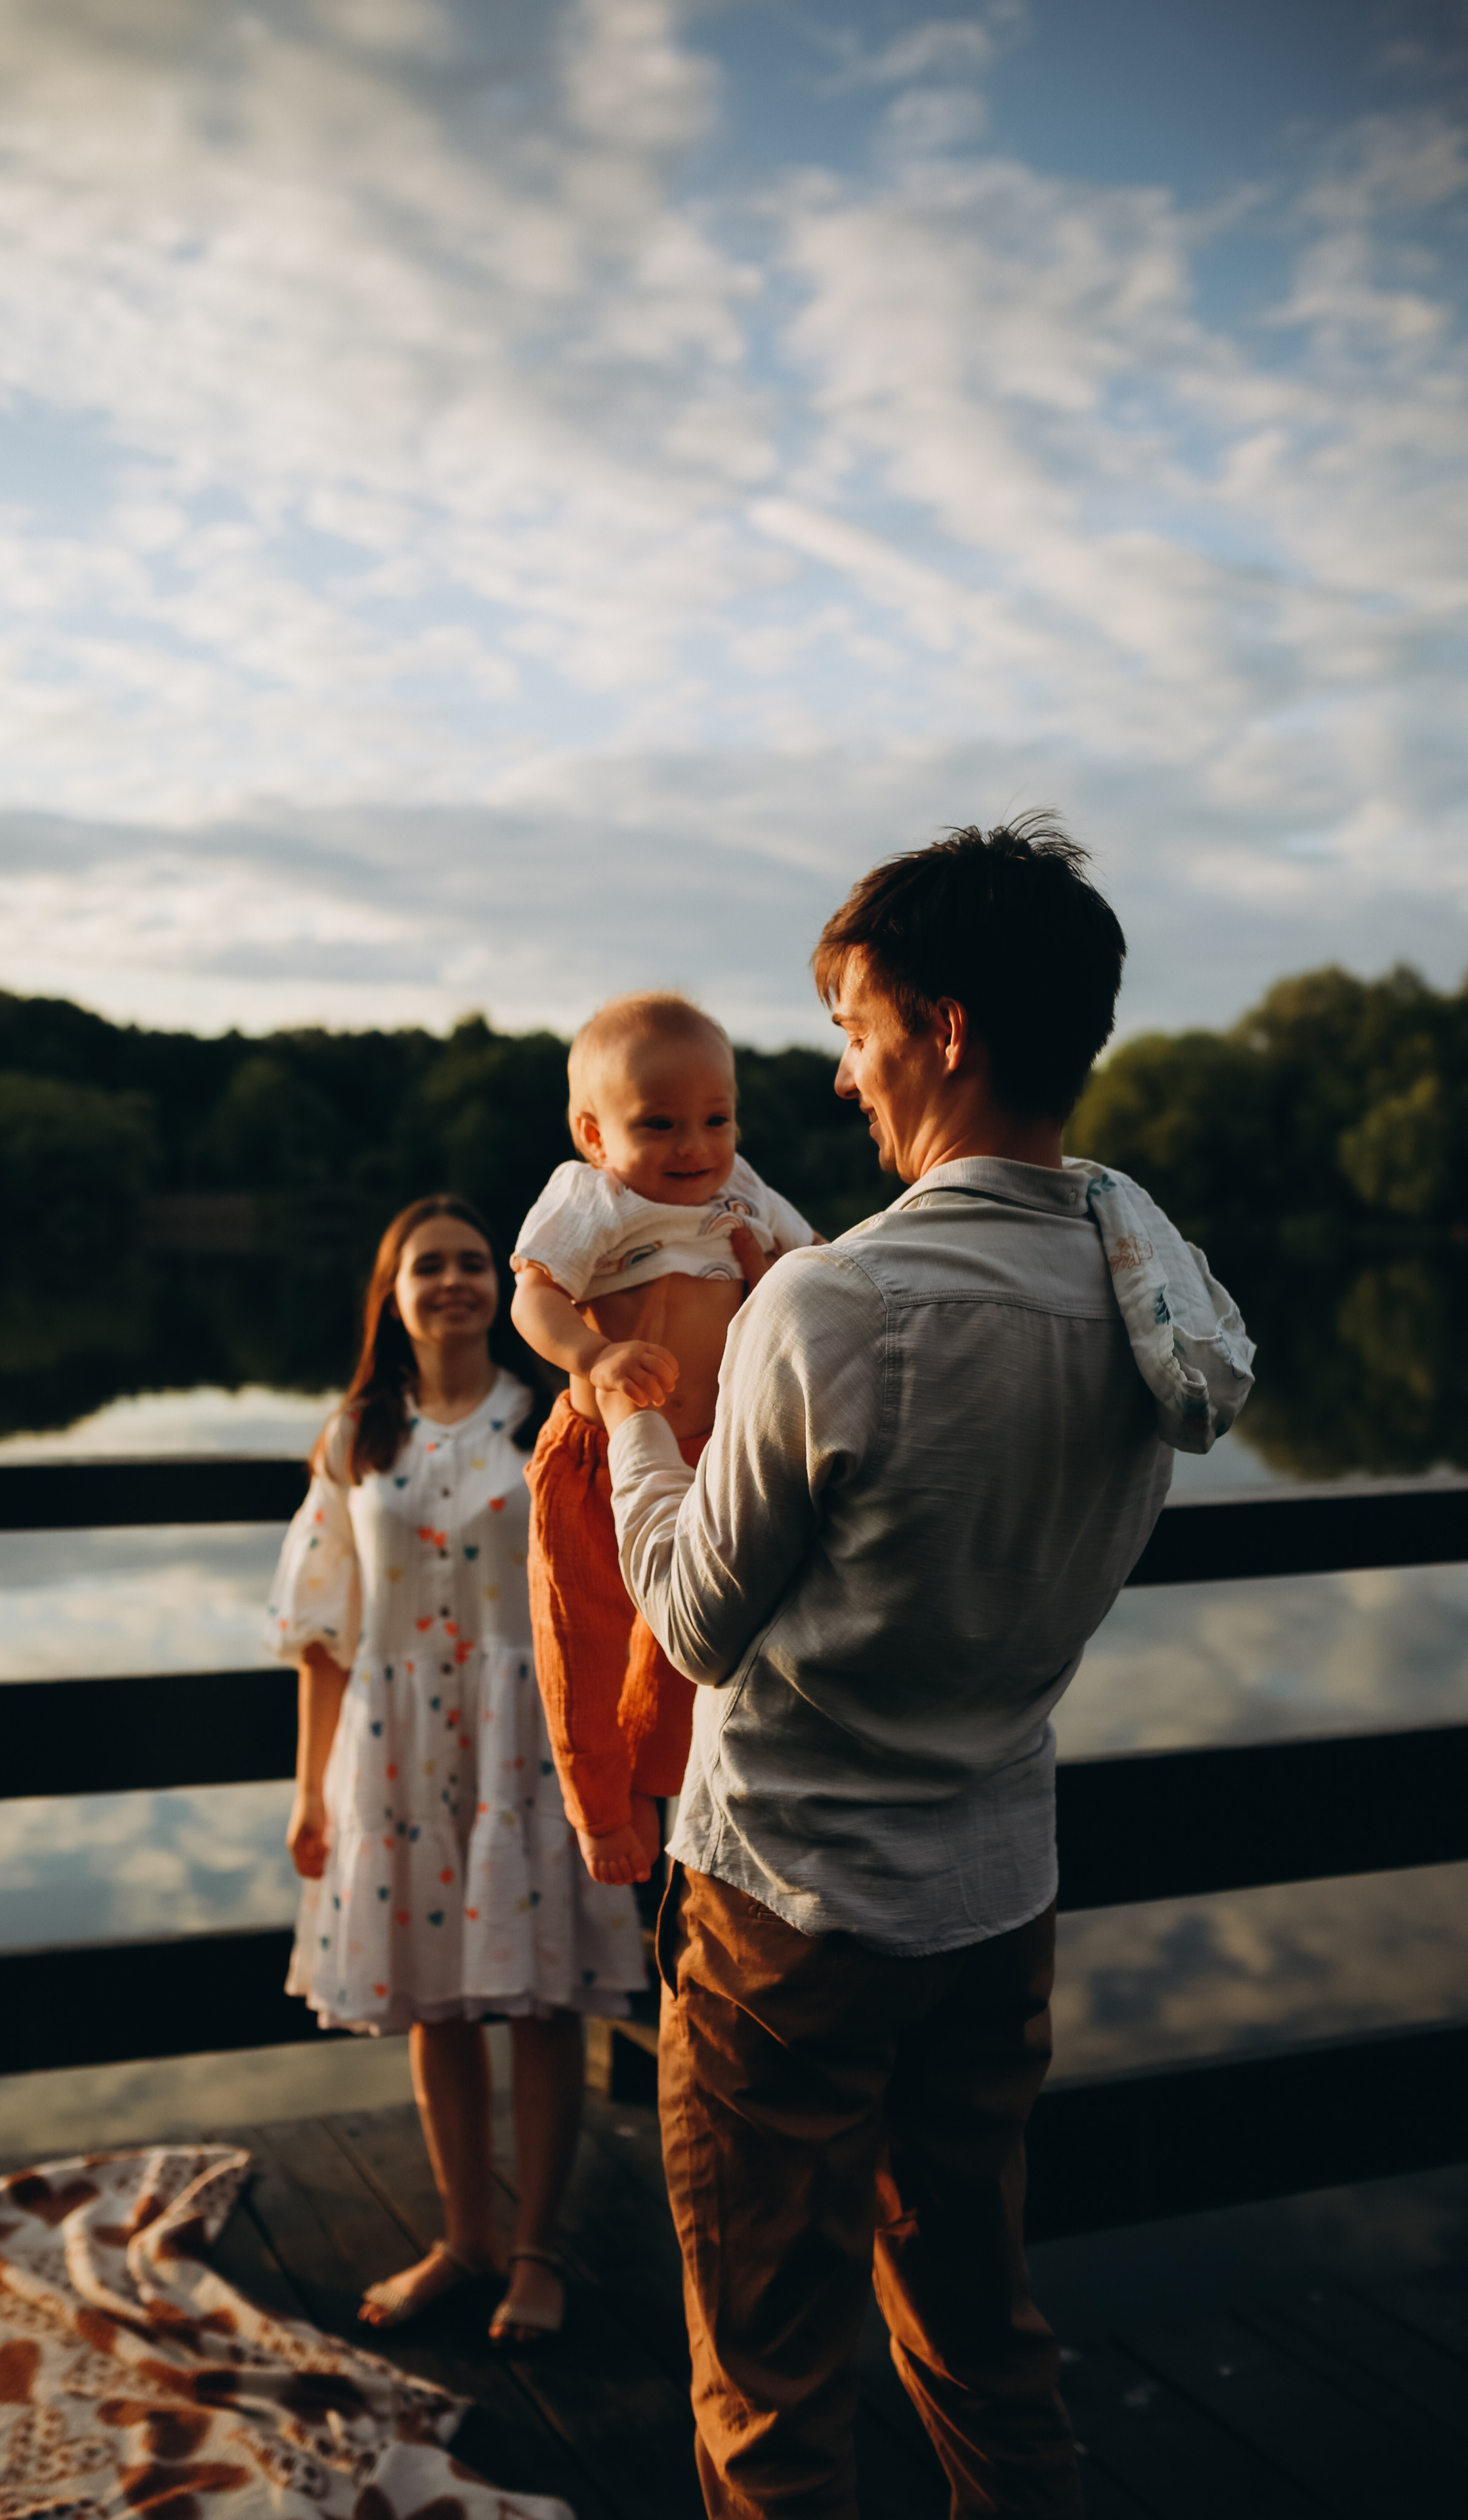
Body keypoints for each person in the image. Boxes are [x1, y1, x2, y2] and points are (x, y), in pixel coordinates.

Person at [595, 822, 1253, 2519]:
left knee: (773, 2374)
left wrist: (634, 1424)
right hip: (994, 1894)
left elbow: (690, 1622)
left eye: (858, 1025)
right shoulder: (1146, 1287)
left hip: (786, 1919)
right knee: (977, 2324)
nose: (841, 1075)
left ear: (946, 1031)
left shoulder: (839, 1303)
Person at [266, 1194, 644, 2347]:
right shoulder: (352, 1439)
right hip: (393, 1747)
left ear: (502, 1284)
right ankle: (464, 2236)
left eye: (474, 1263)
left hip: (526, 1740)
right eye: (429, 1266)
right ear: (394, 1293)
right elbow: (323, 1635)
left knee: (536, 2000)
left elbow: (611, 1597)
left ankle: (536, 2252)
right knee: (436, 2000)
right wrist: (308, 1788)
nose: (455, 1283)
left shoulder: (548, 1418)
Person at [508, 993, 818, 1887]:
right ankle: (601, 1809)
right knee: (587, 1633)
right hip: (600, 1452)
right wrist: (596, 1356)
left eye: (716, 1118)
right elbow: (534, 1295)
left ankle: (660, 1782)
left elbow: (815, 1260)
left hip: (711, 1456)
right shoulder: (592, 1197)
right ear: (595, 1135)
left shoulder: (742, 1189)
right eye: (660, 1124)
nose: (695, 1145)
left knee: (694, 1640)